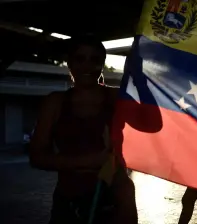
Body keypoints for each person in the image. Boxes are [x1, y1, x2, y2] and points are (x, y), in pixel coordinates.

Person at [29, 35, 153, 224]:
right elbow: (36, 157)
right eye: (80, 58)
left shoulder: (115, 97)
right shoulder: (55, 102)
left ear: (102, 63)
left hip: (116, 203)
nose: (87, 66)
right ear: (69, 62)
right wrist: (90, 160)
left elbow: (152, 124)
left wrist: (141, 80)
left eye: (95, 59)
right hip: (69, 204)